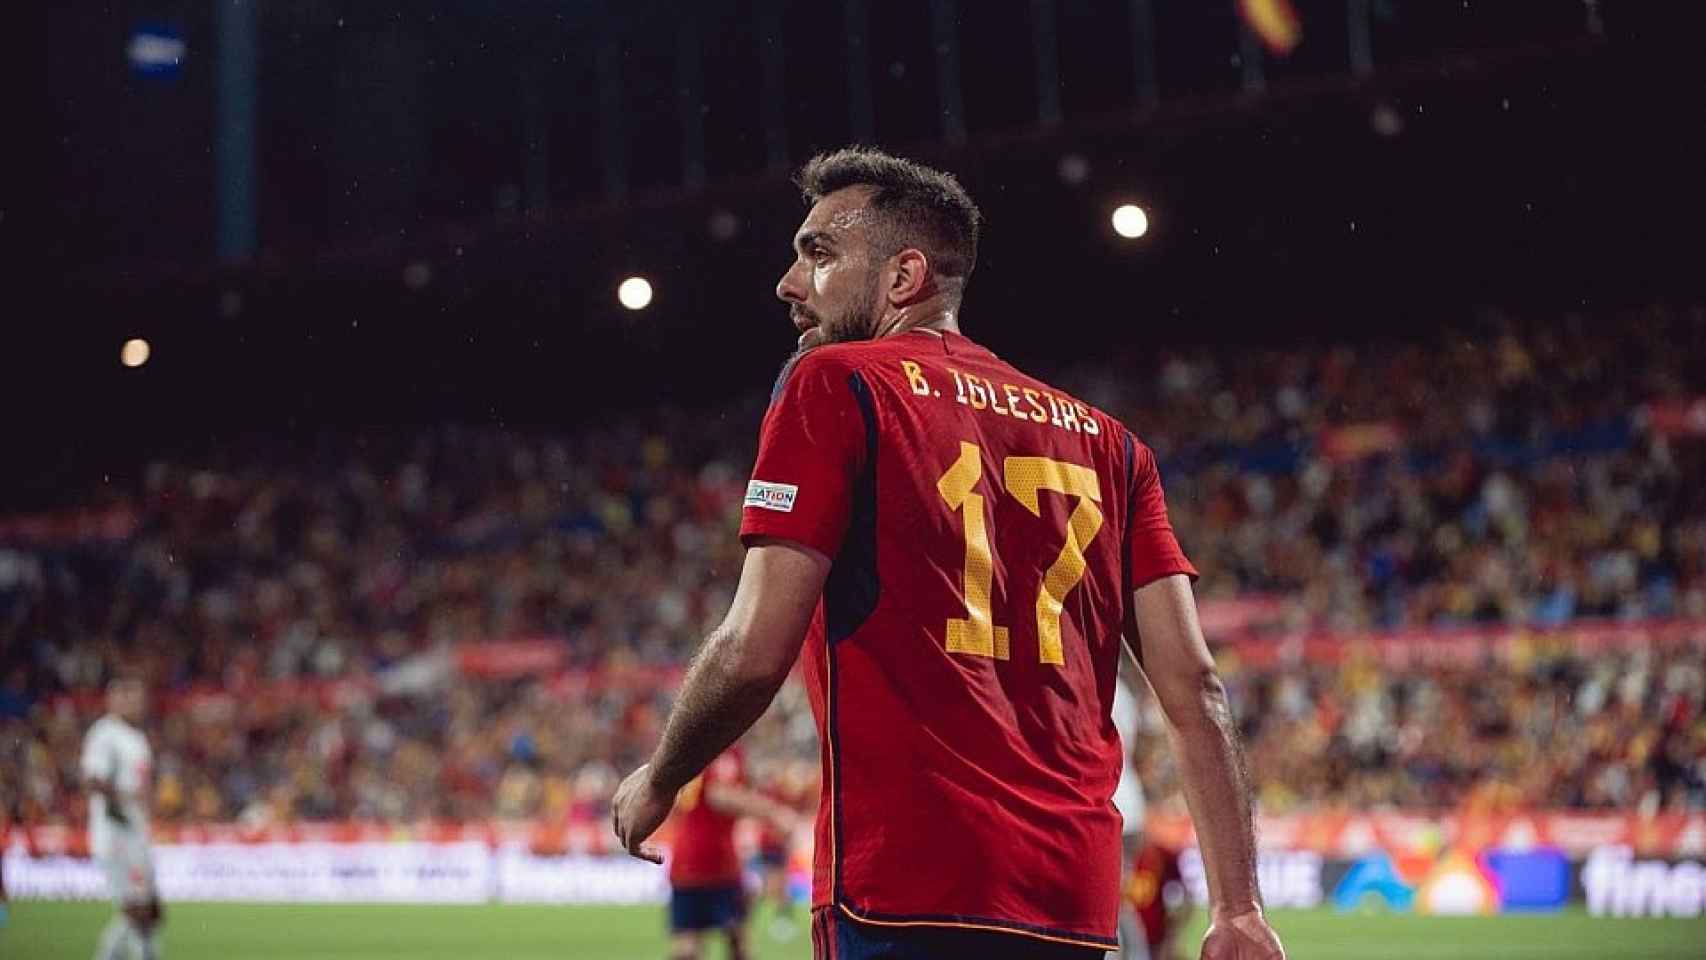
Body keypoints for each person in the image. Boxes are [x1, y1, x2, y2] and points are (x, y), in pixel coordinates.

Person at [613, 146, 1284, 960]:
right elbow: (1196, 689)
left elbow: (755, 650)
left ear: (903, 277)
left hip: (906, 889)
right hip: (1070, 900)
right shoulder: (1112, 445)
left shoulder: (836, 385)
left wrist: (658, 778)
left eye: (818, 254)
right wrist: (1239, 908)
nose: (789, 285)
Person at [666, 747, 794, 960]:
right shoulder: (724, 749)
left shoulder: (696, 746)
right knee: (737, 942)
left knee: (689, 945)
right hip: (714, 862)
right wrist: (773, 812)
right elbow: (720, 795)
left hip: (689, 861)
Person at [81, 676, 163, 960]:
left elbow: (143, 785)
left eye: (138, 696)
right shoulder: (104, 734)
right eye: (128, 696)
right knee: (136, 910)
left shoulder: (137, 737)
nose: (135, 702)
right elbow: (93, 780)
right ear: (113, 699)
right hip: (115, 834)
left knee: (151, 912)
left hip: (137, 833)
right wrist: (124, 799)